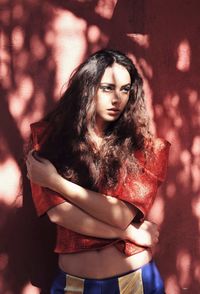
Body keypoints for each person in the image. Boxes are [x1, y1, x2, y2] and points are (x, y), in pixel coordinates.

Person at [26, 49, 170, 293]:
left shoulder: (144, 149)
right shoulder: (50, 139)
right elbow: (60, 214)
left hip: (134, 283)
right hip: (74, 285)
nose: (117, 99)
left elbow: (120, 215)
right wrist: (132, 234)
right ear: (87, 87)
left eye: (125, 89)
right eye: (107, 87)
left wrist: (56, 182)